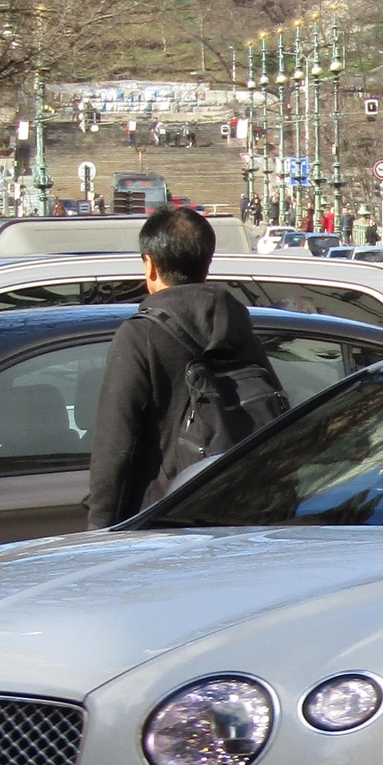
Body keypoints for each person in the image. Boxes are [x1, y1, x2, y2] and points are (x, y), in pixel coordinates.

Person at [86, 205, 282, 527]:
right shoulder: (237, 324)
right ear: (207, 261)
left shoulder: (140, 334)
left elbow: (114, 448)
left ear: (150, 265)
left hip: (167, 516)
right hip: (242, 508)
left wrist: (100, 529)